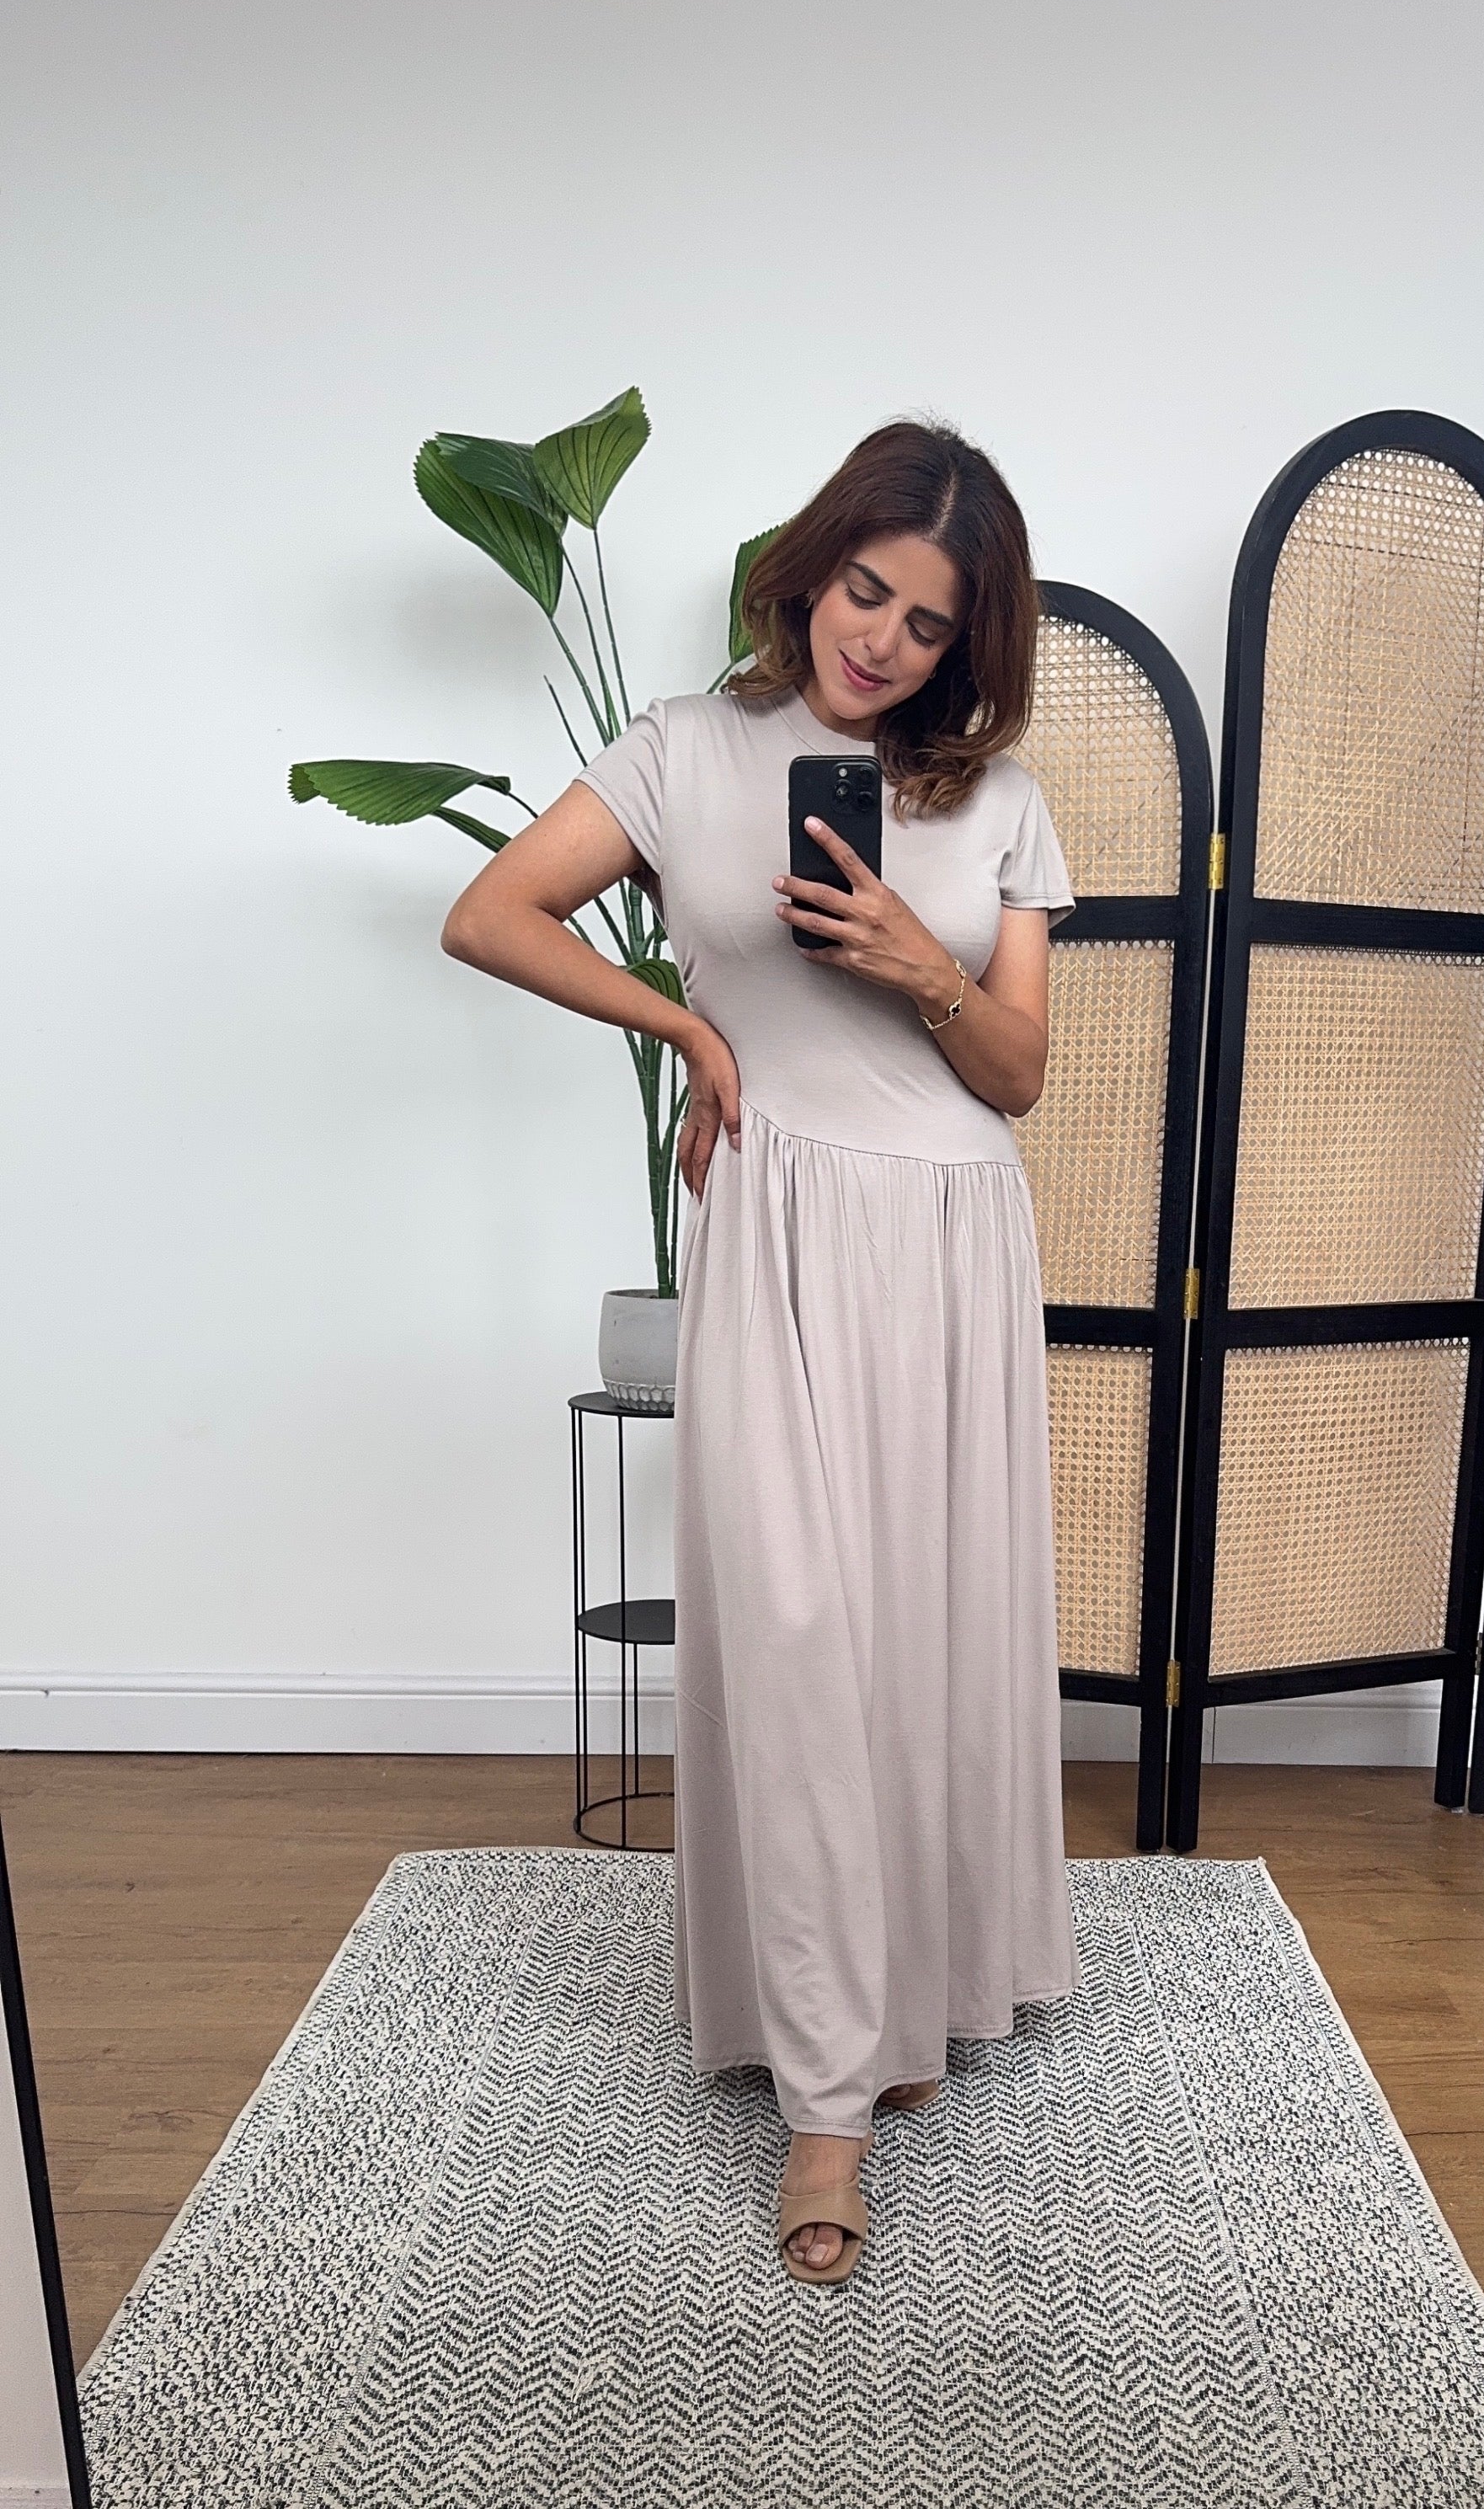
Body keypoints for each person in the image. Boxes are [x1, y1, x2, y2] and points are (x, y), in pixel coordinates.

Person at [441, 416, 1081, 2285]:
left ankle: (911, 1984)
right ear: (810, 570)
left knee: (923, 1633)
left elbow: (1019, 1077)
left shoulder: (995, 799)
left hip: (950, 1235)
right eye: (864, 590)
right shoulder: (681, 751)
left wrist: (917, 960)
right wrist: (692, 1036)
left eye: (926, 622)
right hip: (780, 1224)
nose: (879, 640)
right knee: (795, 1638)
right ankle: (823, 2100)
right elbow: (489, 912)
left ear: (967, 644)